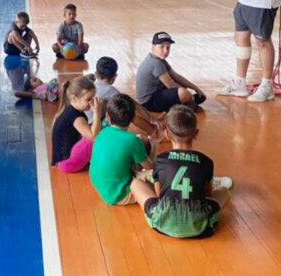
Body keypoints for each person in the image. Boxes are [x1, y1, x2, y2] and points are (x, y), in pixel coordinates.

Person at [129, 105, 234, 238]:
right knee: (225, 191)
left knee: (135, 184)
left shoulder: (160, 160)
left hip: (162, 224)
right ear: (196, 133)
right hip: (200, 228)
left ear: (167, 134)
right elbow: (207, 195)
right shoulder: (206, 161)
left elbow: (159, 194)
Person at [89, 94, 155, 205]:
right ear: (133, 118)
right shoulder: (132, 140)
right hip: (119, 194)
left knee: (140, 140)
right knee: (160, 174)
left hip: (102, 187)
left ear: (107, 116)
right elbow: (150, 168)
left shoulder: (102, 132)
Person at [85, 56, 164, 139]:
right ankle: (155, 133)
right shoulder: (110, 91)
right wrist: (150, 119)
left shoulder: (89, 85)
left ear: (95, 73)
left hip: (83, 128)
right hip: (95, 131)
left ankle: (151, 119)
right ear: (114, 77)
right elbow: (133, 105)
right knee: (129, 112)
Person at [135, 32, 206, 113]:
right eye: (161, 47)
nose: (165, 51)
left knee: (182, 87)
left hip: (156, 92)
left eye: (168, 48)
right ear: (153, 47)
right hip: (148, 102)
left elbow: (176, 77)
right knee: (183, 93)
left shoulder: (159, 60)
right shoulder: (156, 63)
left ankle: (179, 105)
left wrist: (195, 88)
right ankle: (178, 106)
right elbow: (171, 86)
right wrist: (189, 95)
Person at [51, 76, 102, 173]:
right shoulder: (74, 115)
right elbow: (93, 137)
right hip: (66, 163)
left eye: (93, 98)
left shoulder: (72, 111)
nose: (92, 102)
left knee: (100, 130)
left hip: (65, 161)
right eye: (88, 99)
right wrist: (97, 113)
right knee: (95, 139)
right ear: (74, 98)